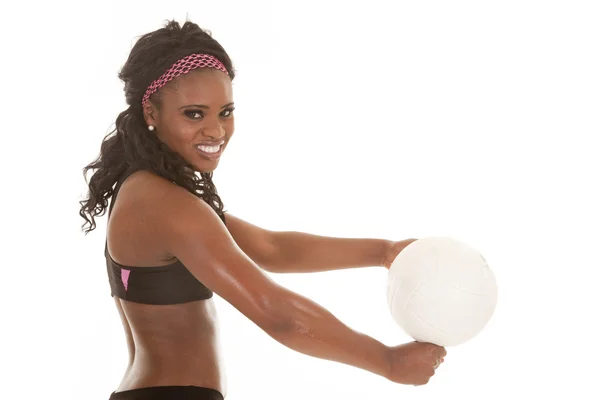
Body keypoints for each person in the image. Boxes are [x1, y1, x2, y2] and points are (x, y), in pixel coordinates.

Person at [79, 19, 446, 400]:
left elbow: (272, 249)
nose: (216, 131)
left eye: (225, 112)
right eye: (194, 114)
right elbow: (278, 315)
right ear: (151, 113)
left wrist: (386, 252)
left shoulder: (152, 191)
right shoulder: (164, 204)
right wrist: (386, 361)